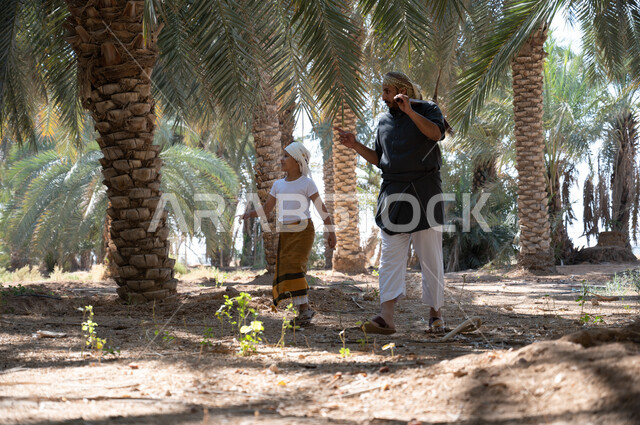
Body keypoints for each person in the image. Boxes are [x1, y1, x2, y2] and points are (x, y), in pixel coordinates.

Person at [335, 71, 446, 335]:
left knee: (430, 258)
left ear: (402, 91)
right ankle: (386, 318)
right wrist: (355, 145)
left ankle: (436, 316)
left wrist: (410, 112)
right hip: (392, 195)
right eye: (383, 91)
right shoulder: (383, 121)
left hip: (425, 193)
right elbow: (379, 158)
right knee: (389, 260)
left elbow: (435, 134)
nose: (383, 96)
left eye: (387, 91)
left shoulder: (428, 110)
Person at [241, 141, 337, 324]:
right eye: (282, 155)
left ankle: (305, 309)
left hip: (303, 230)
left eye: (285, 156)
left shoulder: (307, 183)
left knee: (295, 267)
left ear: (297, 161)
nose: (281, 159)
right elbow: (267, 208)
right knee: (288, 269)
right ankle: (303, 311)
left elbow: (322, 209)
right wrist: (250, 214)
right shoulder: (278, 184)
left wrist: (332, 233)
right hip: (286, 232)